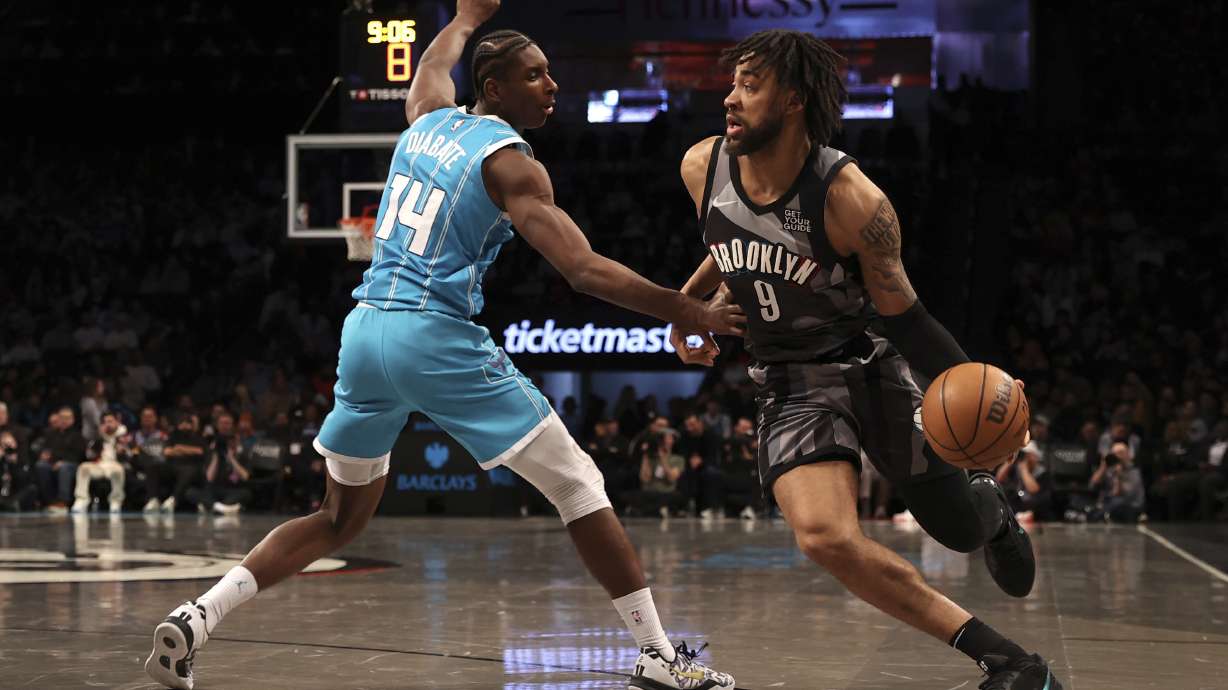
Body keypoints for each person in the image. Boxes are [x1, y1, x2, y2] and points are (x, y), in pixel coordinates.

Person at [145, 3, 741, 689]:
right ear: (494, 88)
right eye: (535, 75)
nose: (552, 86)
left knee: (337, 516)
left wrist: (463, 19)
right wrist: (685, 307)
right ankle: (661, 658)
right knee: (579, 484)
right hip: (433, 334)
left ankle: (195, 620)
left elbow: (429, 69)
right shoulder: (513, 165)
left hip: (365, 331)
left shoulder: (427, 120)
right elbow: (581, 269)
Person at [669, 30, 1061, 690]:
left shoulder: (854, 202)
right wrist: (688, 306)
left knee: (956, 530)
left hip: (867, 366)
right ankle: (1008, 662)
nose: (730, 99)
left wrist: (988, 389)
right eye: (732, 84)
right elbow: (731, 236)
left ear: (793, 101)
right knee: (823, 537)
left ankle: (989, 510)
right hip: (788, 382)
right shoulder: (699, 166)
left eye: (750, 86)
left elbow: (906, 317)